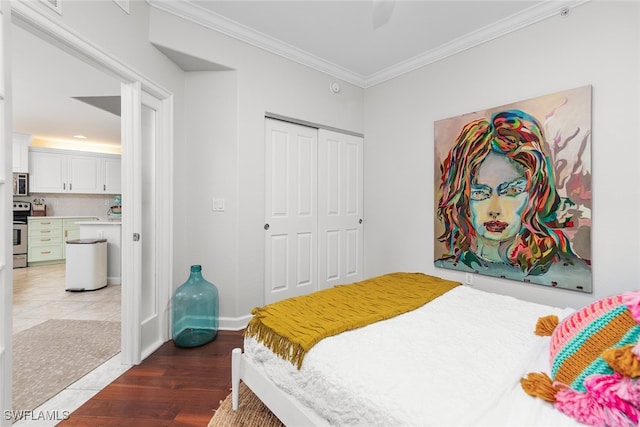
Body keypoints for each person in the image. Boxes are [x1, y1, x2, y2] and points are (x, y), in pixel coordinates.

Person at [435, 109, 591, 292]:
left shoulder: (576, 276)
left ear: (535, 194)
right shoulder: (447, 268)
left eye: (512, 191)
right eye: (480, 193)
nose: (495, 209)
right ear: (463, 200)